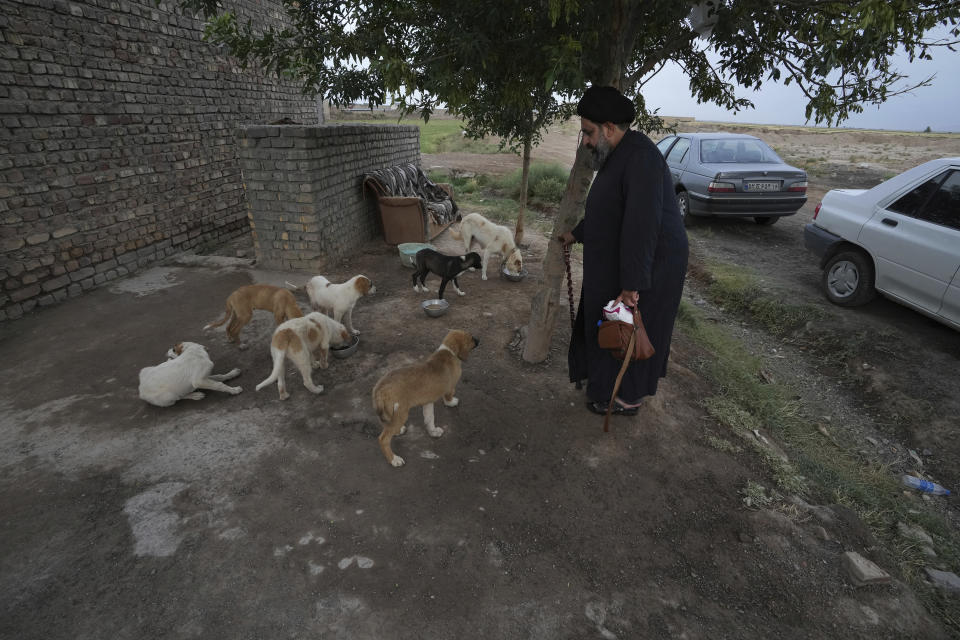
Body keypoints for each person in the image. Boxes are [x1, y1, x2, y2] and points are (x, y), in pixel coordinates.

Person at [559, 85, 688, 416]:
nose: (585, 141)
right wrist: (576, 234)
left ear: (609, 128)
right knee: (612, 326)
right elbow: (610, 210)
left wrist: (632, 285)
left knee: (635, 331)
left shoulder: (641, 158)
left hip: (652, 265)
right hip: (631, 259)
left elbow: (641, 226)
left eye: (588, 133)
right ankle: (605, 386)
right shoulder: (619, 154)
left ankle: (628, 398)